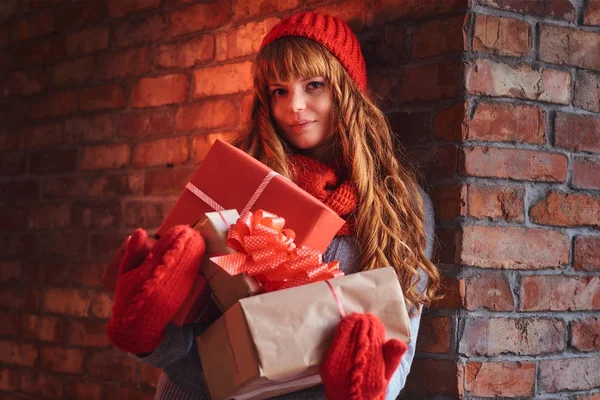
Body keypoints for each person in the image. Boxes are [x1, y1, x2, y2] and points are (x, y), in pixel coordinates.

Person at [107, 11, 440, 400]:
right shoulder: (239, 174)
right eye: (279, 90)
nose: (294, 106)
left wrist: (364, 391)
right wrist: (148, 335)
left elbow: (400, 347)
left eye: (313, 85)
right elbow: (189, 325)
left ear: (346, 90)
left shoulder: (399, 203)